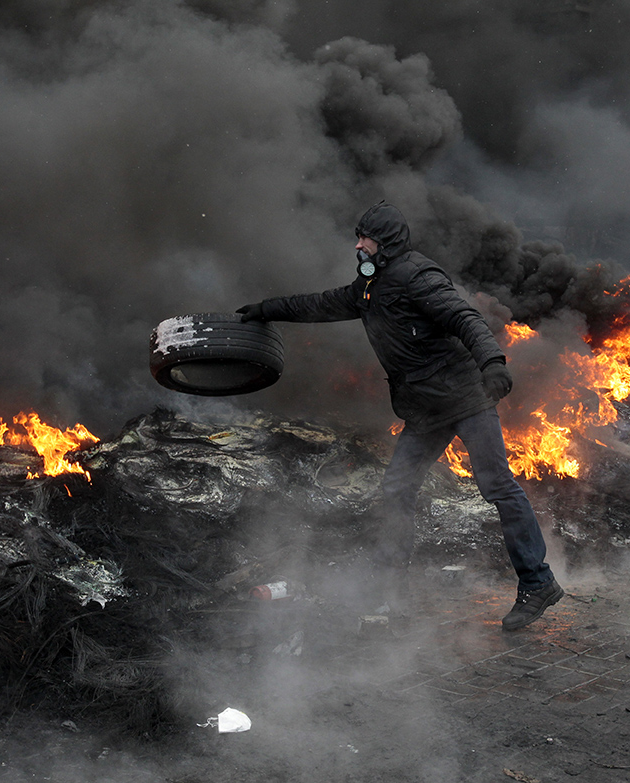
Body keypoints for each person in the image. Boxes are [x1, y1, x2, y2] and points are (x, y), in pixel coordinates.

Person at [235, 202, 563, 631]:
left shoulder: (417, 276)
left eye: (364, 238)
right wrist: (267, 308)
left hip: (466, 399)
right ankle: (387, 584)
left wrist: (493, 363)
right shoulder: (370, 286)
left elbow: (465, 318)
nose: (357, 245)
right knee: (396, 490)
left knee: (497, 485)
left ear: (384, 242)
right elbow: (321, 304)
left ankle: (538, 582)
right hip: (426, 410)